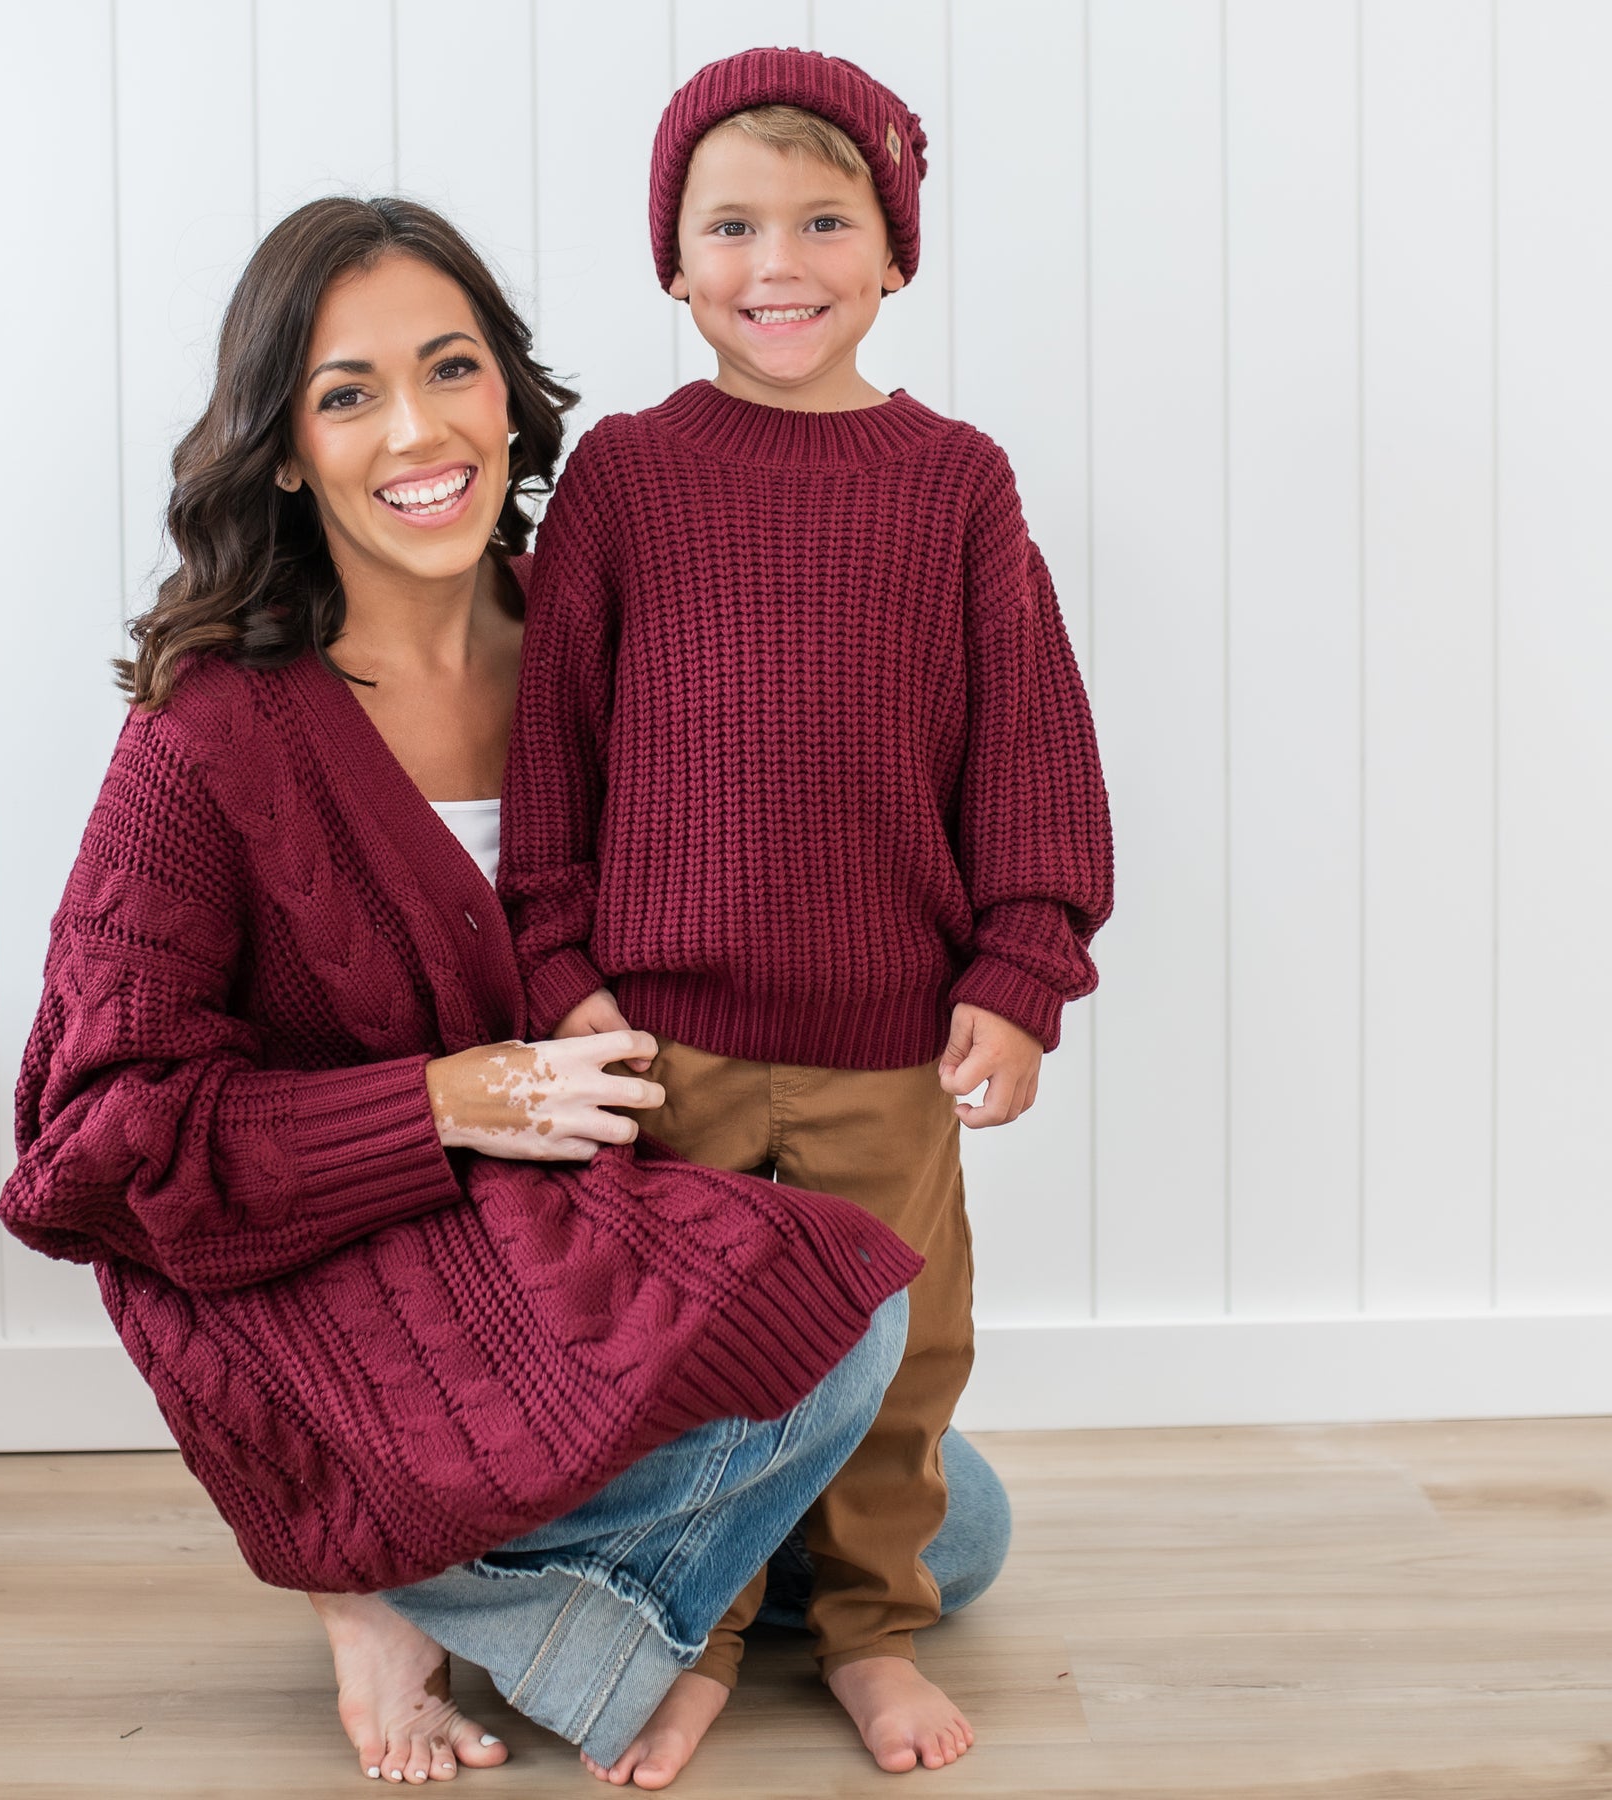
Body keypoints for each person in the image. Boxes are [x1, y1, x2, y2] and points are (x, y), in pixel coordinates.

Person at [0, 194, 932, 1791]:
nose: (416, 430)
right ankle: (383, 1589)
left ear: (510, 391)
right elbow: (88, 1140)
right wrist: (449, 1099)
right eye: (348, 394)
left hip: (585, 1247)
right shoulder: (212, 734)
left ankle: (444, 1579)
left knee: (950, 1525)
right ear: (283, 448)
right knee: (853, 1336)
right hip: (348, 1284)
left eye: (452, 369)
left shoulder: (617, 623)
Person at [499, 48, 1114, 1778]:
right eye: (735, 223)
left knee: (895, 1360)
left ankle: (867, 1634)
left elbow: (1032, 745)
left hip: (882, 1042)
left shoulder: (955, 483)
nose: (781, 259)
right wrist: (559, 966)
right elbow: (558, 756)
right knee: (693, 1364)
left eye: (826, 218)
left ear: (896, 252)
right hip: (661, 1041)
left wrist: (1021, 966)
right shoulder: (623, 477)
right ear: (674, 262)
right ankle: (682, 1633)